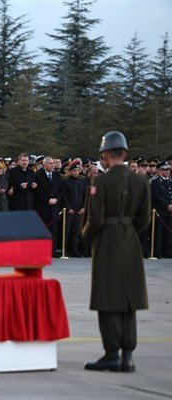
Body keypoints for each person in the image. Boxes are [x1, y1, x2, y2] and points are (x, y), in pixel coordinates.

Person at [81, 131, 151, 373]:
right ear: (125, 153)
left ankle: (112, 354)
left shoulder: (100, 181)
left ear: (106, 155)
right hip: (130, 241)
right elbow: (144, 218)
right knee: (129, 300)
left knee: (108, 298)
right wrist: (128, 230)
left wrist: (86, 236)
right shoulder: (141, 181)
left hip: (107, 242)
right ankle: (127, 356)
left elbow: (95, 219)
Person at [150, 161, 172, 258]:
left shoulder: (170, 182)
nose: (168, 172)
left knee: (168, 232)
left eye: (168, 170)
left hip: (170, 211)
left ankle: (167, 251)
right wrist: (167, 205)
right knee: (158, 232)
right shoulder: (156, 182)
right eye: (165, 170)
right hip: (160, 211)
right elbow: (157, 196)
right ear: (160, 171)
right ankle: (157, 251)